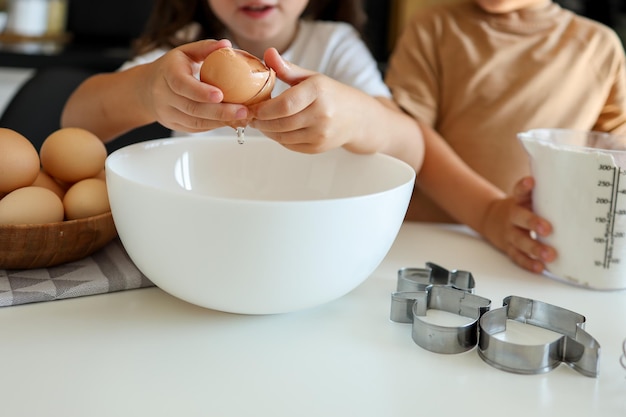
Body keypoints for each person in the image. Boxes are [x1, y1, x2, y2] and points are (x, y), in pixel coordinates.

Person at [385, 0, 626, 273]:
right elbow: (406, 138)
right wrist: (489, 215)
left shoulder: (599, 47)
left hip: (539, 256)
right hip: (430, 246)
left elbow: (616, 161)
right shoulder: (434, 26)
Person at [61, 0, 424, 167]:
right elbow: (77, 121)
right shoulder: (184, 50)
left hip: (309, 226)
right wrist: (145, 91)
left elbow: (411, 150)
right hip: (202, 225)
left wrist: (358, 118)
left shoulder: (335, 45)